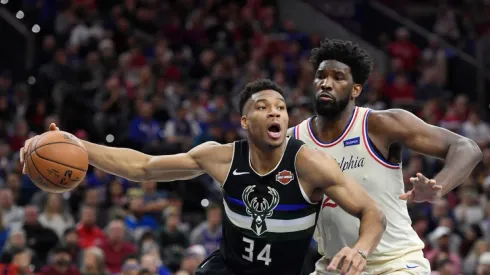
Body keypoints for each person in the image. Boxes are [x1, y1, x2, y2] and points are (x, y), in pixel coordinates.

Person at [20, 79, 386, 275]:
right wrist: (74, 144)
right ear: (245, 123)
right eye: (263, 107)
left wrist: (360, 249)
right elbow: (143, 166)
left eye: (281, 108)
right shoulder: (221, 157)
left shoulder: (310, 165)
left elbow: (373, 214)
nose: (275, 112)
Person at [287, 38, 482, 274]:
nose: (326, 83)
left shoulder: (380, 125)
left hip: (395, 263)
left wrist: (438, 186)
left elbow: (467, 148)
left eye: (338, 78)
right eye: (321, 76)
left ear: (355, 89)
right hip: (336, 265)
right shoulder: (293, 141)